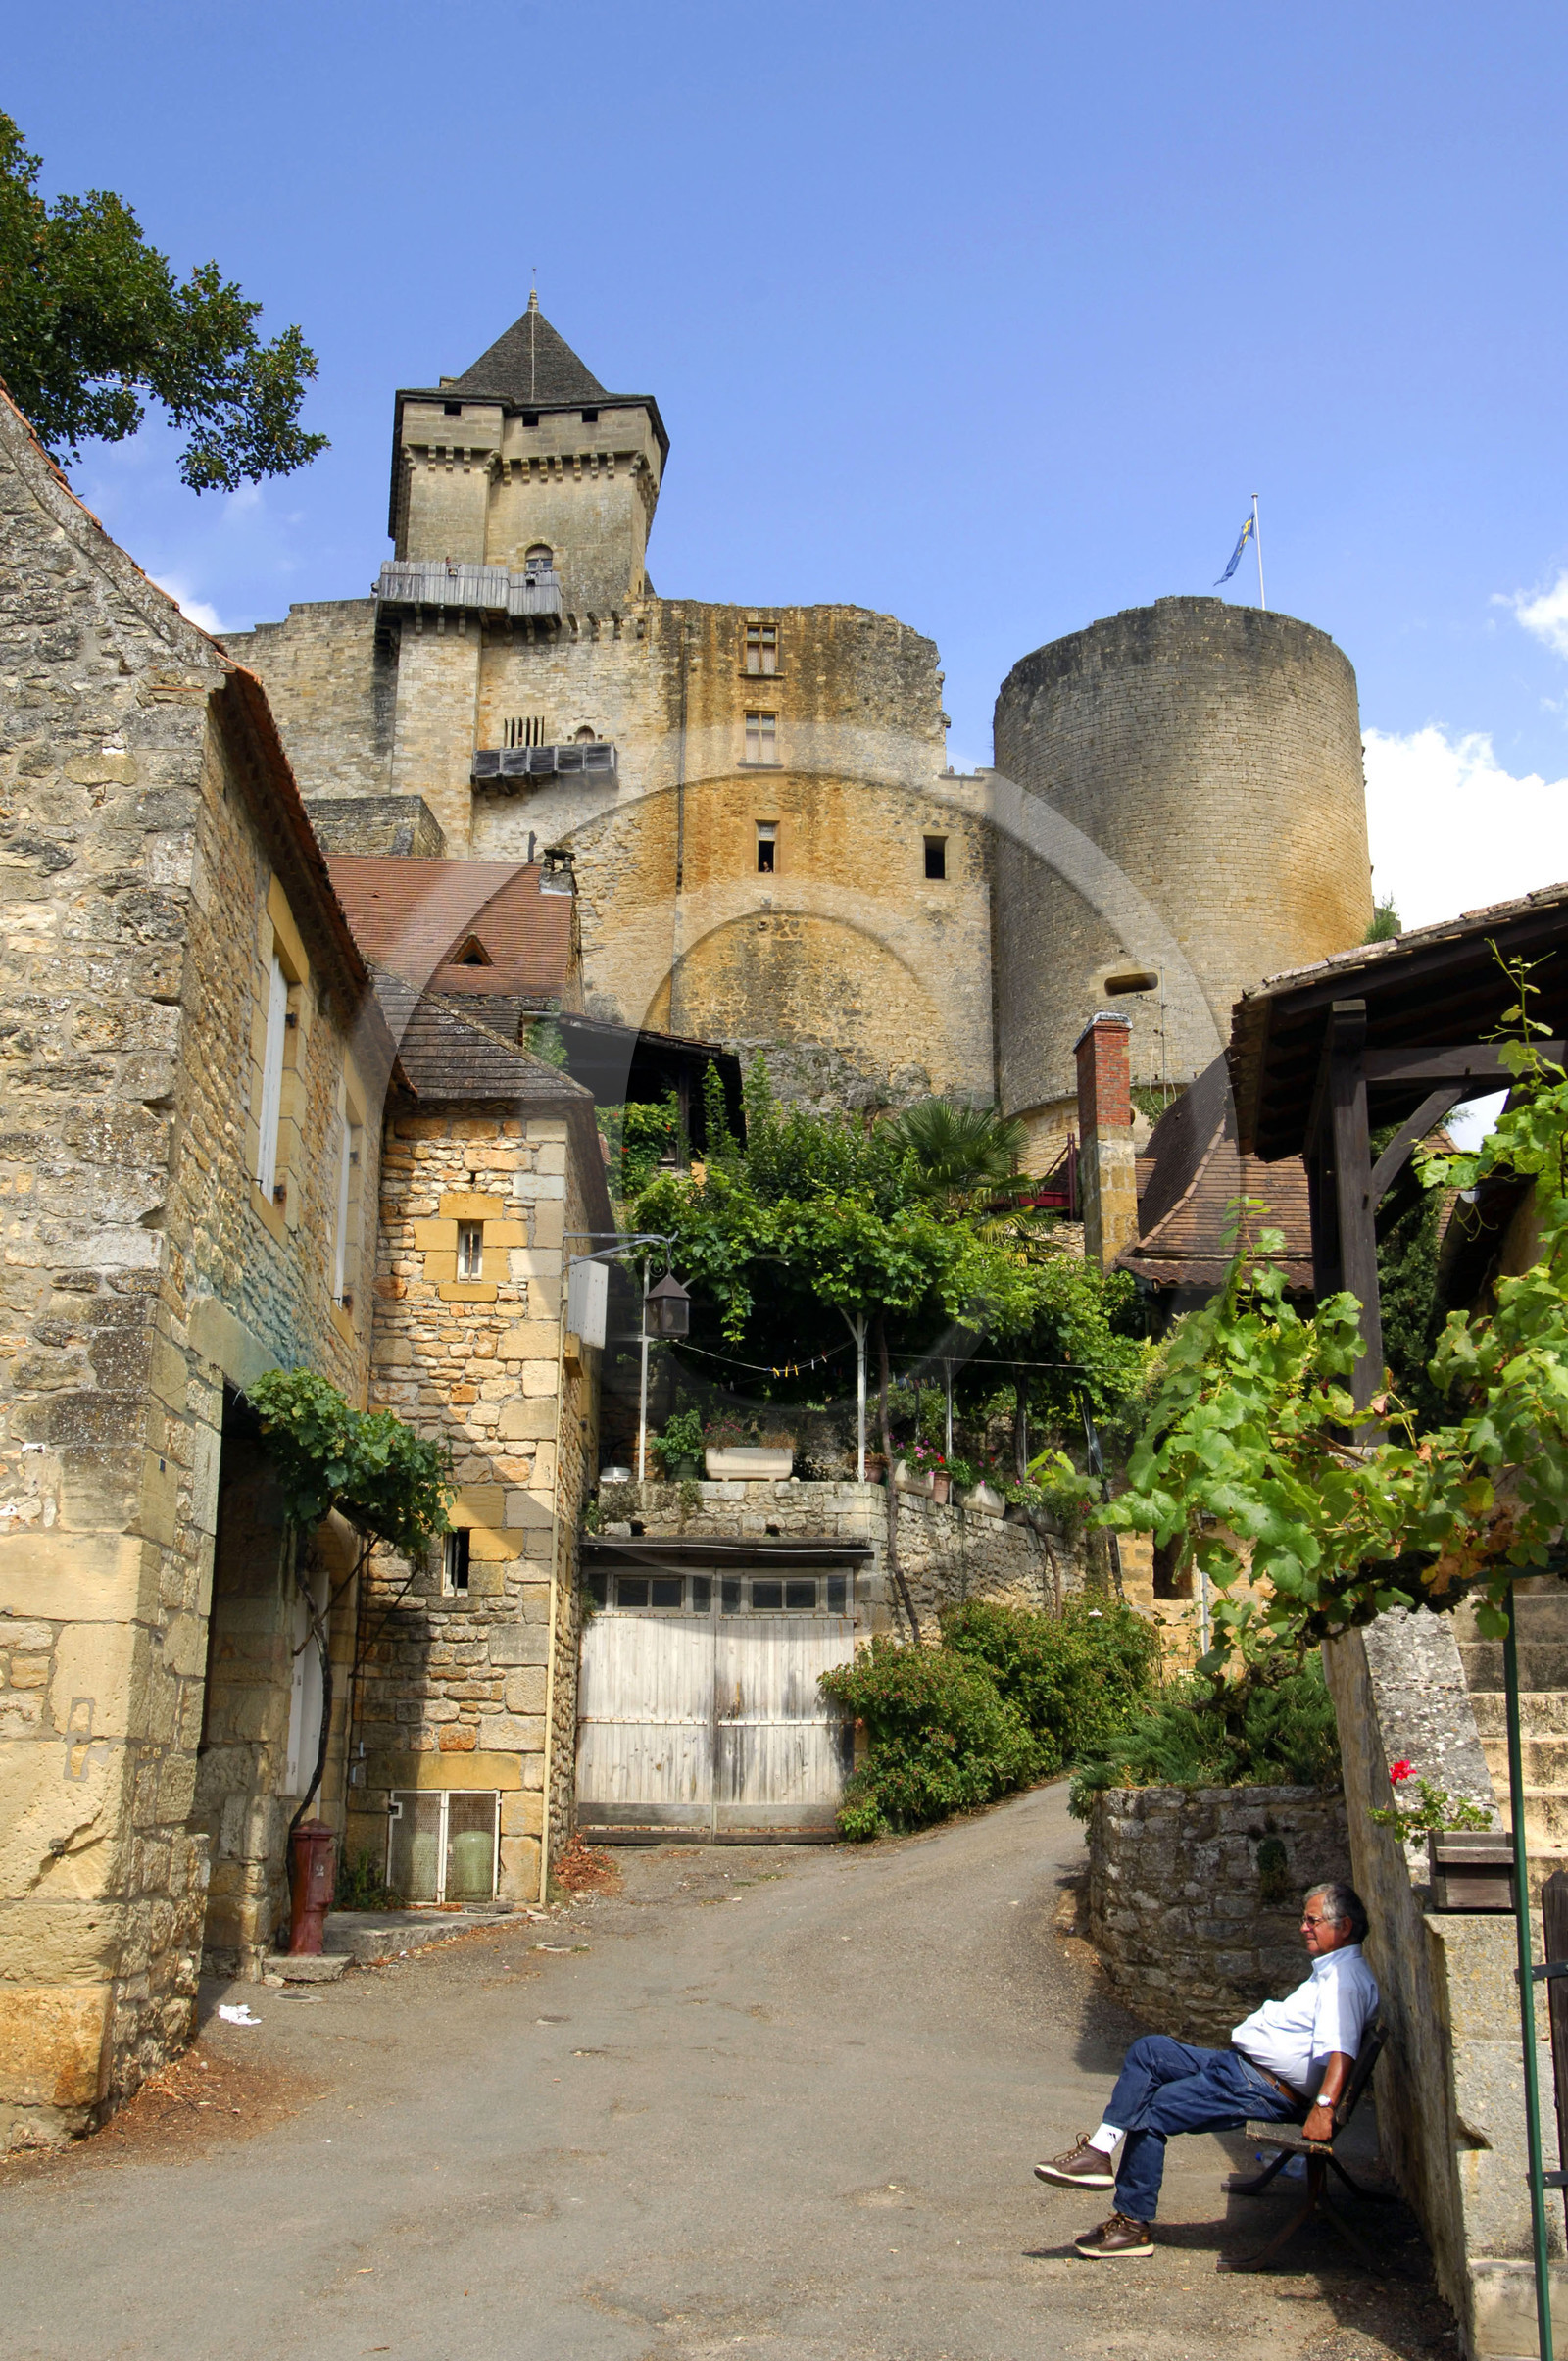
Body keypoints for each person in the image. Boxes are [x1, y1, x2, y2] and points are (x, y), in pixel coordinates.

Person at [1035, 1880, 1377, 2259]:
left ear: (1344, 1926)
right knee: (1150, 2050)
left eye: (1312, 1921)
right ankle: (1099, 2152)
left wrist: (1325, 2107)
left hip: (1260, 2085)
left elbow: (1341, 2049)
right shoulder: (1332, 1972)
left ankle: (1132, 2225)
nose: (1303, 1928)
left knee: (1151, 2112)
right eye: (1304, 1920)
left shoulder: (1343, 1982)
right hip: (1242, 2069)